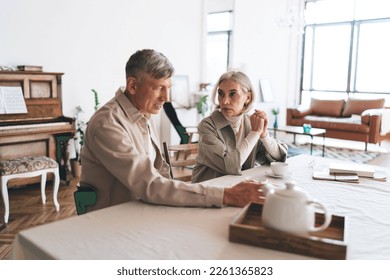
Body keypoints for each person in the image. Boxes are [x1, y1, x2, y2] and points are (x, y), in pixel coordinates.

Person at [80, 49, 265, 212]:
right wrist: (226, 195)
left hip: (145, 209)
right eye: (159, 88)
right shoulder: (107, 123)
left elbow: (160, 174)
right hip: (111, 220)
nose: (166, 97)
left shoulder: (143, 114)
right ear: (133, 86)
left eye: (168, 88)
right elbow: (150, 184)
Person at [192, 70, 288, 183]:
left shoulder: (250, 122)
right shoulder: (207, 125)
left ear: (247, 97)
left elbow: (279, 158)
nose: (225, 101)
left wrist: (263, 135)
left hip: (240, 188)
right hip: (208, 191)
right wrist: (255, 133)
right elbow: (231, 165)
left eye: (232, 94)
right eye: (221, 93)